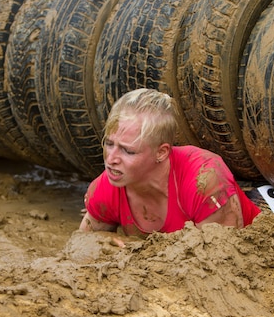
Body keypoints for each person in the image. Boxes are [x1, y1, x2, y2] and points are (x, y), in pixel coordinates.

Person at [79, 88, 261, 243]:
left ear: (162, 152)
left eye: (128, 151)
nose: (111, 159)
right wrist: (104, 244)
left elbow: (224, 263)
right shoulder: (107, 185)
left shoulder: (205, 180)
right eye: (109, 144)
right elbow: (81, 247)